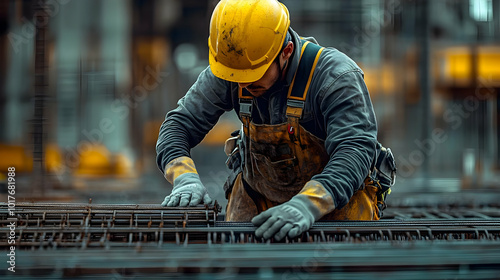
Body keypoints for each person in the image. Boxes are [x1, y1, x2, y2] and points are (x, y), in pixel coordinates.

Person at [156, 0, 396, 241]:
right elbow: (178, 125)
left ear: (286, 52)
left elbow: (354, 150)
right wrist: (184, 179)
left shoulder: (335, 77)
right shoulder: (233, 70)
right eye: (235, 77)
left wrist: (306, 205)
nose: (242, 85)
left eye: (253, 76)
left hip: (334, 212)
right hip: (258, 205)